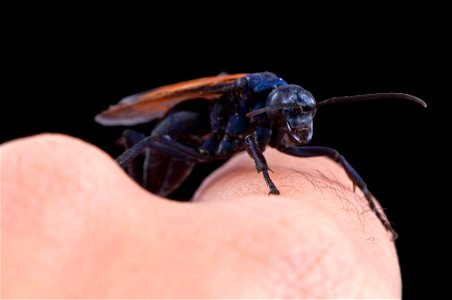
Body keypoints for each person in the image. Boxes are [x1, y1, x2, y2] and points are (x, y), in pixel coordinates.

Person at [1, 134, 401, 298]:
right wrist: (268, 181)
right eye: (291, 117)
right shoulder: (246, 123)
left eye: (305, 118)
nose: (299, 130)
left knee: (332, 159)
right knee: (159, 138)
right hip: (191, 144)